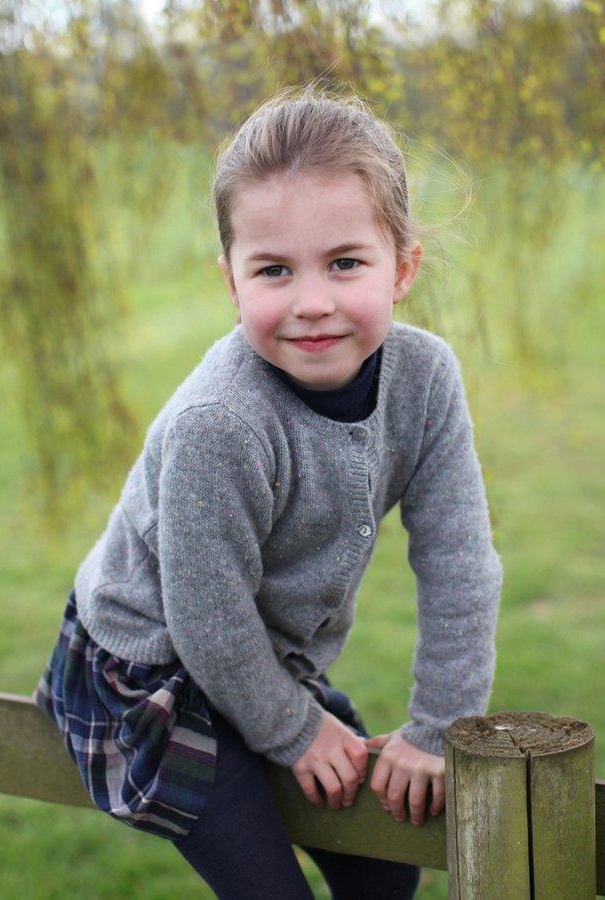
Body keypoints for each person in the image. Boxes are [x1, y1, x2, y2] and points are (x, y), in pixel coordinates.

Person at [32, 81, 503, 899]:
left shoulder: (425, 380)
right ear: (232, 281)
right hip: (147, 672)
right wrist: (292, 729)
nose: (312, 303)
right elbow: (205, 615)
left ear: (403, 266)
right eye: (274, 270)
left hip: (261, 656)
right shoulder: (220, 423)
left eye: (346, 262)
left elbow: (460, 561)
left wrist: (435, 730)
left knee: (388, 867)